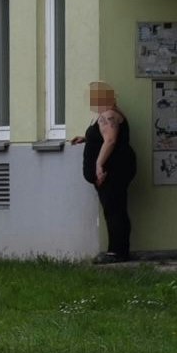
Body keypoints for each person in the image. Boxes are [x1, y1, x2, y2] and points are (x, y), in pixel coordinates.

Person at [74, 80, 139, 262]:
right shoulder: (108, 115)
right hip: (115, 168)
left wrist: (99, 165)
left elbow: (110, 140)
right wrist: (86, 139)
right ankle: (118, 250)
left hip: (114, 170)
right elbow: (103, 138)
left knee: (114, 209)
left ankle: (117, 252)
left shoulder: (108, 115)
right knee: (114, 208)